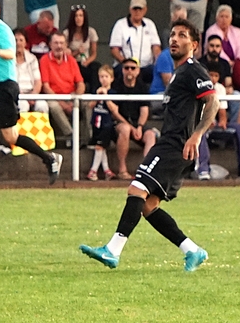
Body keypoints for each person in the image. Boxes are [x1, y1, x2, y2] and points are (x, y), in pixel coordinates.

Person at [79, 19, 217, 272]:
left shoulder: (193, 70)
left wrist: (197, 135)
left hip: (175, 146)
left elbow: (213, 102)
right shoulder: (179, 73)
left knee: (136, 189)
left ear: (194, 45)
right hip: (173, 145)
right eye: (173, 34)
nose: (174, 39)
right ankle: (192, 250)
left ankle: (112, 250)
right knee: (148, 205)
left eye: (182, 35)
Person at [0, 0, 62, 191]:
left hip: (4, 87)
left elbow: (10, 53)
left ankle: (49, 158)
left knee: (11, 136)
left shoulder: (2, 31)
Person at [196, 61, 240, 180]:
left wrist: (222, 121)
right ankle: (203, 169)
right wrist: (207, 122)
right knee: (200, 130)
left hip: (215, 126)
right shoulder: (198, 87)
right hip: (201, 125)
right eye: (211, 75)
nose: (213, 78)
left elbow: (222, 110)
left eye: (216, 76)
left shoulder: (220, 88)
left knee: (239, 128)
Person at [107, 58, 156, 179]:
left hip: (136, 123)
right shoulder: (116, 85)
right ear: (122, 70)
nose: (129, 71)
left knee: (150, 135)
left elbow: (144, 110)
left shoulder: (142, 87)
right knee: (125, 129)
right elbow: (114, 113)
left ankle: (146, 170)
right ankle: (122, 169)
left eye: (133, 68)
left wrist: (139, 127)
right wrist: (130, 127)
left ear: (138, 71)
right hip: (118, 123)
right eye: (126, 68)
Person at [39, 31, 87, 144]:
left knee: (89, 103)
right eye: (56, 43)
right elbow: (46, 87)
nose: (59, 46)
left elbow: (80, 83)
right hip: (53, 96)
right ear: (50, 44)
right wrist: (63, 104)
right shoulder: (44, 60)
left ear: (66, 45)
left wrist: (76, 98)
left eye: (61, 43)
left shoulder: (71, 60)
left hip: (71, 95)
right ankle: (71, 135)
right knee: (54, 106)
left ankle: (87, 138)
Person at [108, 0, 161, 84]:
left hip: (146, 67)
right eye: (135, 9)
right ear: (130, 9)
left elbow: (156, 47)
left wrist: (157, 62)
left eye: (140, 9)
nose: (137, 11)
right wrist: (126, 63)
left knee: (156, 71)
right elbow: (114, 50)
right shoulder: (120, 24)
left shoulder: (150, 24)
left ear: (145, 10)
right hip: (126, 66)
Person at [88, 65, 117, 181]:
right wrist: (97, 96)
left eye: (106, 76)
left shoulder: (113, 93)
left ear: (111, 78)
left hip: (106, 124)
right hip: (96, 123)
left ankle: (93, 170)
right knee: (100, 147)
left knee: (100, 146)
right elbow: (90, 105)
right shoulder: (96, 91)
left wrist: (106, 97)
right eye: (101, 76)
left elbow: (114, 109)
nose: (104, 79)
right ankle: (107, 170)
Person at [65, 4, 99, 88]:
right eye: (76, 16)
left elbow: (94, 54)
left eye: (81, 16)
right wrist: (77, 52)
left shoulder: (91, 32)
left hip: (86, 62)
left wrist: (87, 62)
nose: (78, 18)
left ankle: (94, 93)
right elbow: (65, 55)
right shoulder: (67, 33)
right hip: (73, 62)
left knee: (96, 67)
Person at [14, 29, 47, 114]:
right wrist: (24, 96)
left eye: (21, 40)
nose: (18, 43)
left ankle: (39, 124)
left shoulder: (32, 58)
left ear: (25, 43)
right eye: (15, 40)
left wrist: (32, 96)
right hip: (16, 93)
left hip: (32, 92)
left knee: (42, 105)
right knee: (23, 105)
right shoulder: (8, 59)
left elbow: (38, 81)